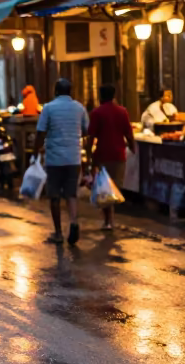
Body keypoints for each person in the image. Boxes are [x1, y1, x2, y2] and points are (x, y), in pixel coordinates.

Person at [35, 77, 89, 245]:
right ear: (70, 92)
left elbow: (40, 132)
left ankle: (58, 233)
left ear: (55, 91)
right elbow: (86, 130)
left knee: (55, 196)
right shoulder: (79, 108)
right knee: (71, 194)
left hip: (54, 159)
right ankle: (73, 222)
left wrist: (35, 151)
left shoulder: (48, 108)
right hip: (74, 158)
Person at [85, 83, 135, 231]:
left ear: (100, 96)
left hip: (102, 155)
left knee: (105, 188)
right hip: (119, 154)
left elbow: (91, 136)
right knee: (114, 187)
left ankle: (108, 220)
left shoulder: (97, 113)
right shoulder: (122, 111)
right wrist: (133, 147)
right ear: (114, 96)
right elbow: (129, 133)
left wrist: (88, 154)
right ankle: (109, 219)